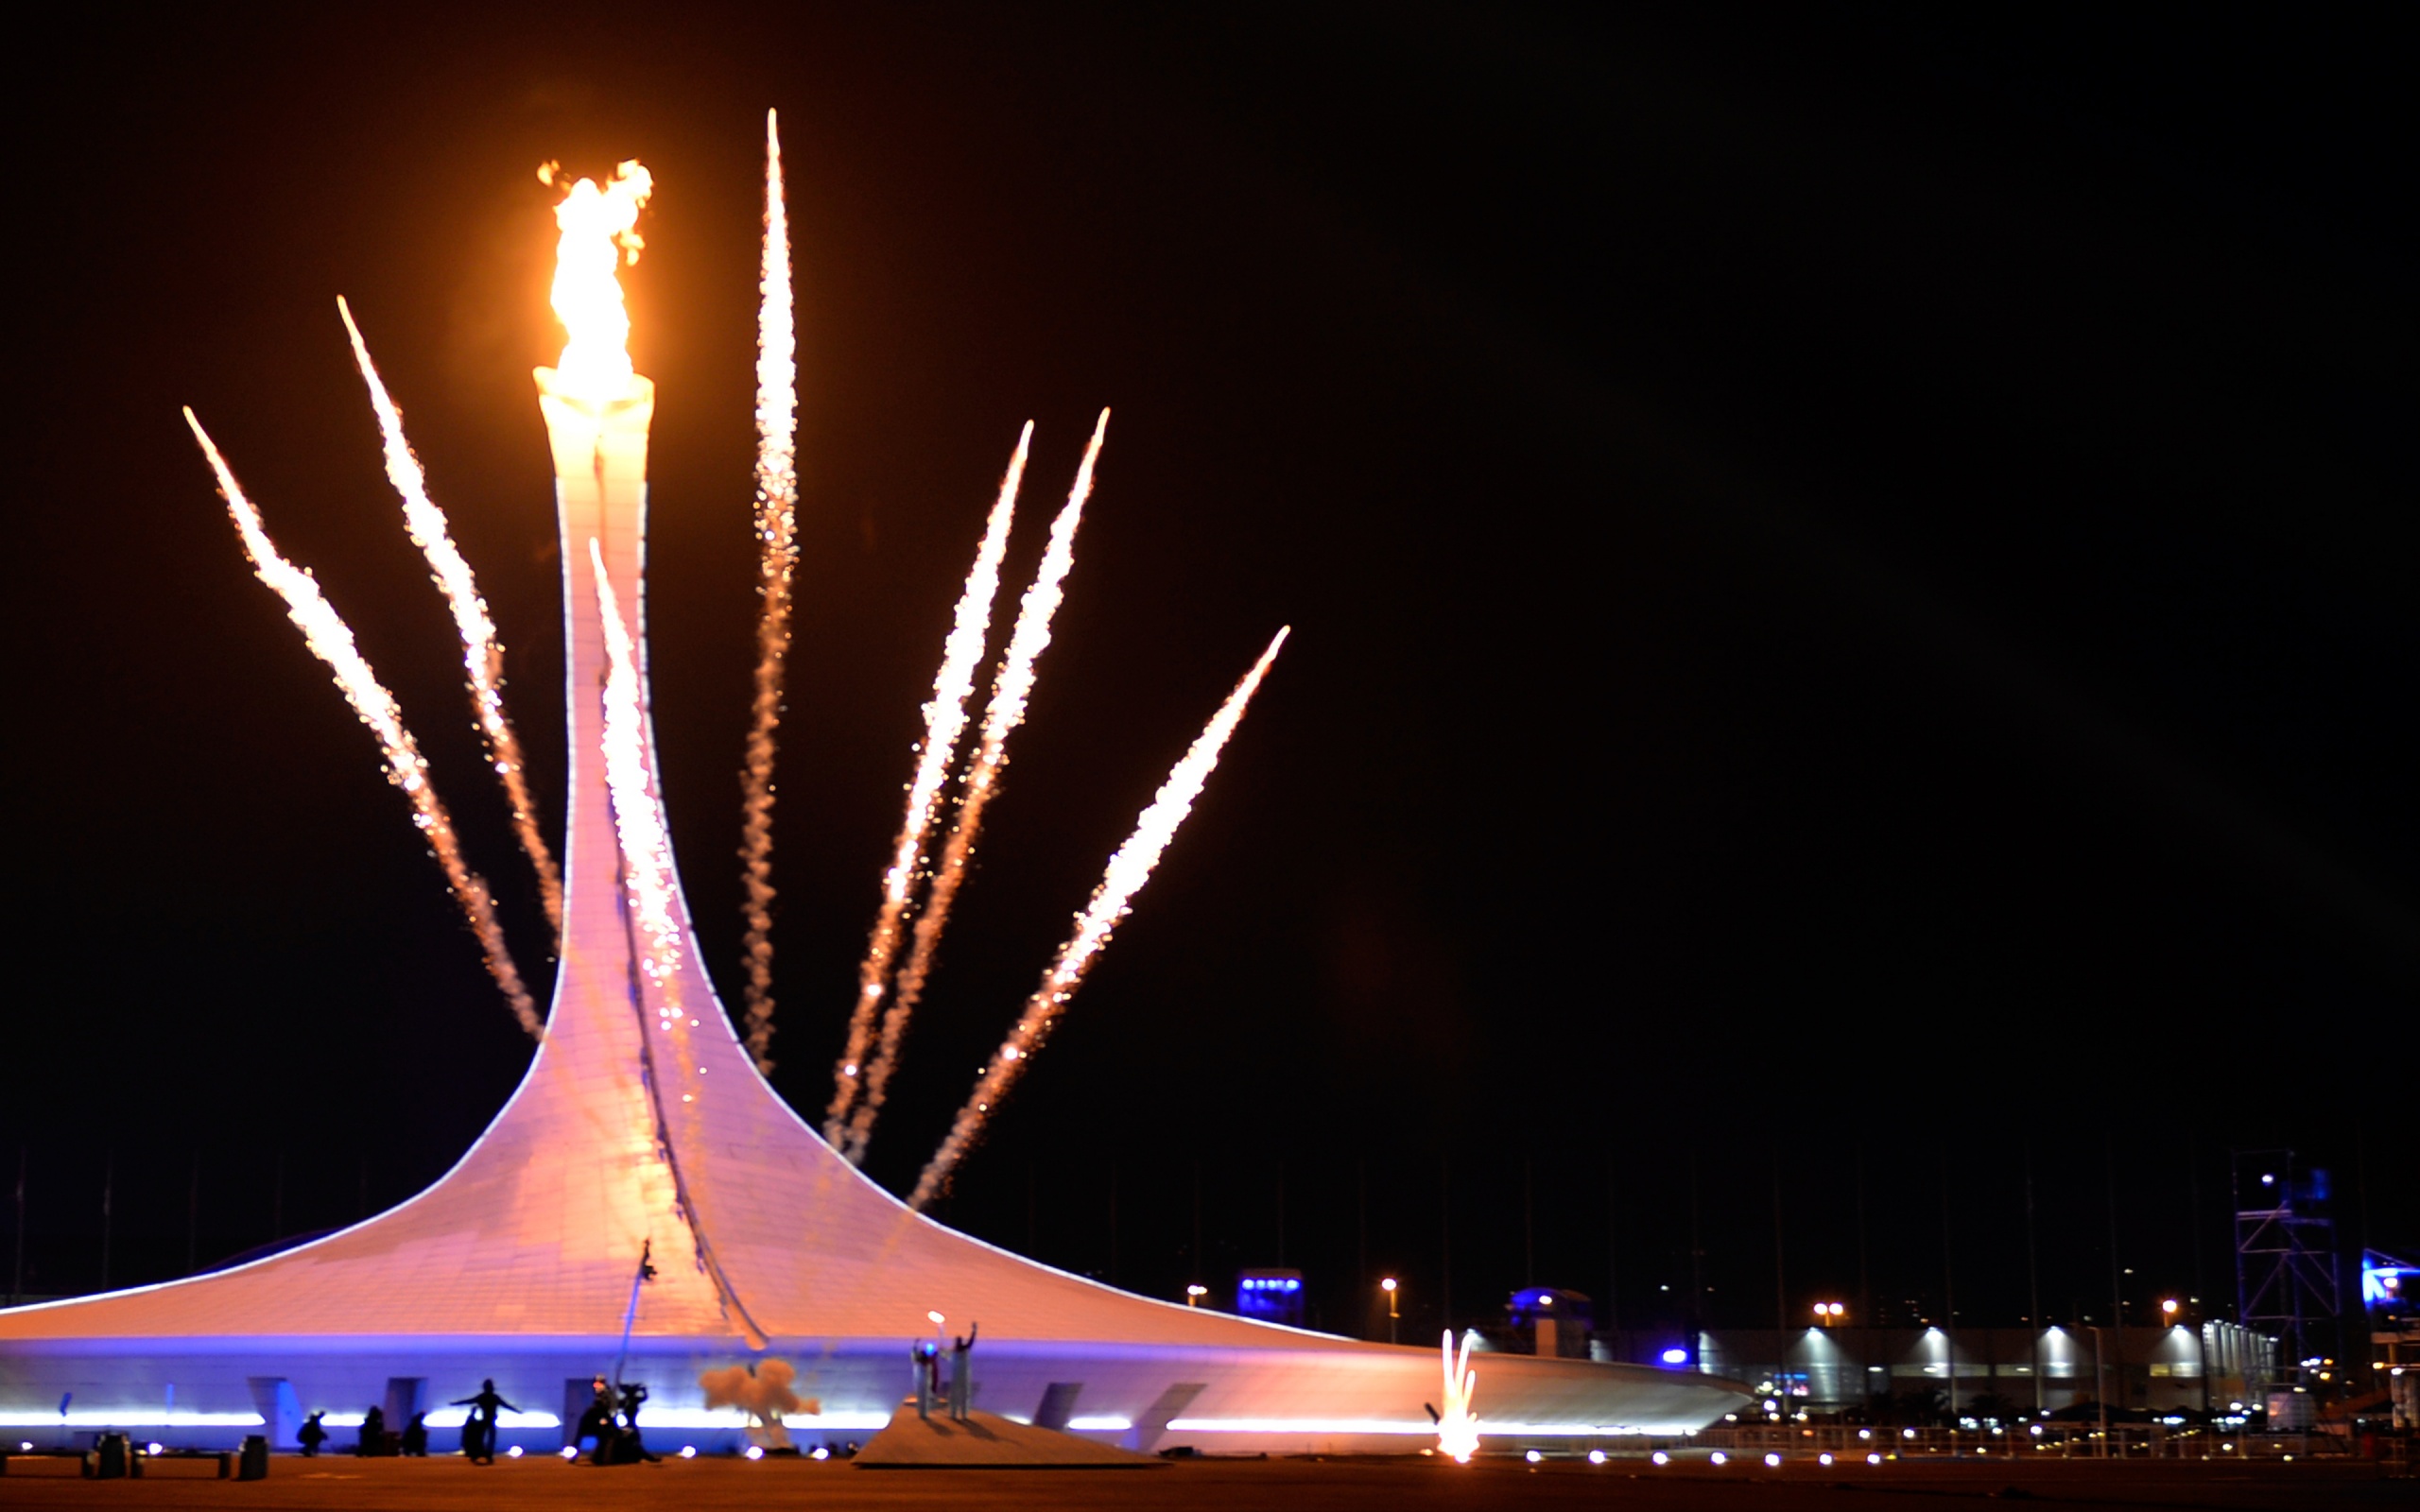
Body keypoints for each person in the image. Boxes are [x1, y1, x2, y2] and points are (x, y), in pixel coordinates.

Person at [449, 1379, 518, 1465]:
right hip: (490, 1421)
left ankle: (480, 1454)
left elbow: (468, 1401)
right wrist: (516, 1410)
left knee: (480, 1438)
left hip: (485, 1420)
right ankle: (487, 1455)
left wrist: (455, 1403)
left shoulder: (483, 1397)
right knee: (489, 1439)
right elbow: (506, 1405)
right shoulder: (494, 1397)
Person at [575, 1377, 615, 1462]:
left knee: (603, 1436)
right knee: (603, 1436)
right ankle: (597, 1457)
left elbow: (609, 1407)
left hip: (596, 1422)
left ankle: (599, 1456)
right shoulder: (597, 1409)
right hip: (592, 1424)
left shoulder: (604, 1394)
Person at [948, 1321, 978, 1421]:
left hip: (956, 1376)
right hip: (964, 1376)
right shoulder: (964, 1350)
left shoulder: (953, 1352)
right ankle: (964, 1414)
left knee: (956, 1395)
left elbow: (970, 1342)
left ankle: (954, 1413)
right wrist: (974, 1330)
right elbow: (971, 1342)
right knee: (964, 1395)